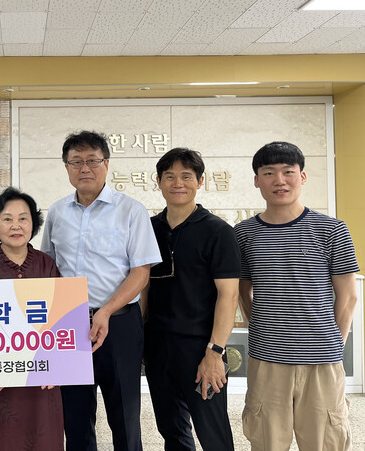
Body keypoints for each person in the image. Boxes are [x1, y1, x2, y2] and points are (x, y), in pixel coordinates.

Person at [41, 130, 162, 451]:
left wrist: (106, 311)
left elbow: (141, 272)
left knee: (124, 417)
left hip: (119, 323)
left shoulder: (131, 210)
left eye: (92, 160)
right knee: (76, 418)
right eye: (76, 162)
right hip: (70, 326)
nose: (85, 168)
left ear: (106, 164)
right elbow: (49, 268)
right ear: (66, 167)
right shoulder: (57, 212)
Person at [236, 141, 359, 451]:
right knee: (266, 442)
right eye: (269, 173)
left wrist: (333, 344)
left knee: (325, 443)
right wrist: (260, 325)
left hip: (322, 362)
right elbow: (242, 290)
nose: (279, 180)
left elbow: (348, 297)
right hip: (267, 360)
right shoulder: (244, 233)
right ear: (256, 180)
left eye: (288, 172)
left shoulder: (332, 230)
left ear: (302, 176)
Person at [144, 148, 239, 450]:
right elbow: (143, 288)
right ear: (159, 182)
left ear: (200, 181)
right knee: (172, 431)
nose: (177, 183)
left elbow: (229, 295)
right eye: (169, 176)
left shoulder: (218, 231)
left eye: (186, 176)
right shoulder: (149, 229)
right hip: (158, 346)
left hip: (201, 348)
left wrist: (215, 352)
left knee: (212, 432)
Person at [0, 187, 64, 451]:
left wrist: (58, 366)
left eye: (23, 218)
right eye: (7, 218)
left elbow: (60, 321)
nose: (15, 225)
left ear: (33, 224)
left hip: (40, 381)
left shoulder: (46, 264)